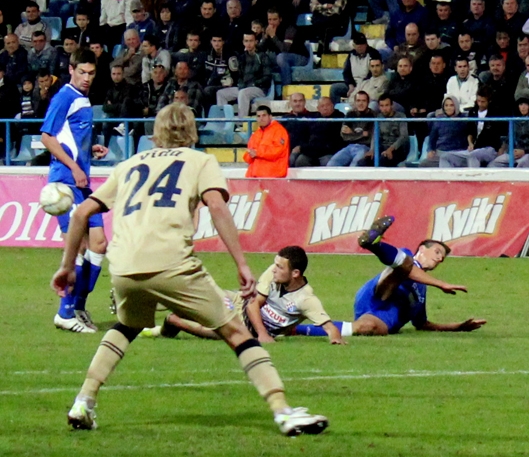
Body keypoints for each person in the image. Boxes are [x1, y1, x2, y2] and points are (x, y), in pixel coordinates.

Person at [53, 104, 328, 437]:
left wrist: (67, 267)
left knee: (127, 326)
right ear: (192, 132)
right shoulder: (200, 161)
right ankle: (284, 412)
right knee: (237, 333)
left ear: (156, 133)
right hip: (173, 263)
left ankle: (83, 401)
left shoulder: (129, 164)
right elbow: (217, 206)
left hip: (124, 266)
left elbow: (80, 214)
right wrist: (241, 263)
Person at [300, 215, 485, 337]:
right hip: (376, 296)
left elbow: (421, 324)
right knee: (405, 264)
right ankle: (373, 244)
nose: (439, 258)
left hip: (384, 317)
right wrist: (441, 284)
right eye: (437, 252)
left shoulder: (422, 290)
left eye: (442, 258)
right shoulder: (407, 257)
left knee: (366, 328)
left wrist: (458, 327)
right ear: (422, 249)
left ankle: (293, 329)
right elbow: (409, 270)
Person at [143, 245, 345, 344]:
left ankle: (163, 327)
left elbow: (330, 328)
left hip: (240, 327)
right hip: (238, 303)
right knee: (193, 296)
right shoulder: (272, 274)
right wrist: (263, 334)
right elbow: (253, 304)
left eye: (280, 267)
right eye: (275, 264)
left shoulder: (306, 299)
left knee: (180, 320)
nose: (274, 269)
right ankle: (150, 297)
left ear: (295, 273)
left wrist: (335, 339)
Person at [41, 49, 109, 333]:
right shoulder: (64, 97)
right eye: (81, 72)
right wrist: (74, 166)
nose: (86, 78)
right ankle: (64, 313)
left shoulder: (83, 99)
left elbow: (70, 138)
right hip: (66, 182)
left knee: (99, 244)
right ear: (71, 70)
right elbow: (47, 137)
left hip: (81, 182)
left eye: (91, 73)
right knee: (78, 247)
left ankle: (78, 306)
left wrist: (89, 151)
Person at [243, 104, 289, 178]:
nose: (261, 118)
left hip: (273, 176)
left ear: (270, 117)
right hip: (254, 176)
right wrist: (250, 155)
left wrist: (257, 153)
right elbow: (247, 156)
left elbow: (277, 151)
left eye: (264, 115)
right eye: (258, 116)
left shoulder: (279, 131)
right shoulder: (256, 134)